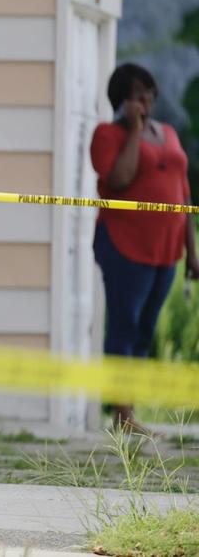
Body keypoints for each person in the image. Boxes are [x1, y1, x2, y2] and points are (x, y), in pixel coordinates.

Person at [90, 63, 199, 434]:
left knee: (145, 330)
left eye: (149, 94)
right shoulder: (108, 134)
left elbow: (184, 195)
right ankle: (121, 415)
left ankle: (130, 410)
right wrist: (135, 131)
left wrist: (192, 252)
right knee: (125, 325)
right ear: (122, 101)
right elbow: (119, 179)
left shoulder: (169, 133)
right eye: (137, 96)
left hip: (166, 250)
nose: (146, 102)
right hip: (125, 246)